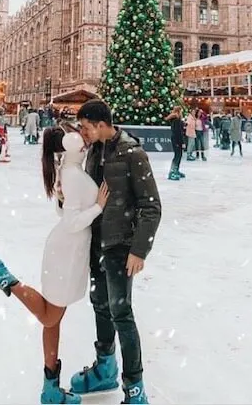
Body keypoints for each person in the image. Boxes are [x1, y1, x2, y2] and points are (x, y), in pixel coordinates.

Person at [0, 126, 110, 404]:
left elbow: (61, 211)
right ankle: (2, 275)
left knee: (53, 320)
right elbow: (70, 221)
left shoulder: (67, 170)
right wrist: (98, 207)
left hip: (67, 251)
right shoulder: (71, 174)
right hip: (67, 252)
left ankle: (51, 388)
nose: (84, 141)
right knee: (50, 317)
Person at [71, 99, 162, 405]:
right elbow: (91, 192)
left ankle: (135, 388)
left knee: (121, 312)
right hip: (96, 241)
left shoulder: (132, 153)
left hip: (121, 245)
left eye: (85, 127)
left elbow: (151, 207)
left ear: (100, 124)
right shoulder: (96, 150)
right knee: (100, 304)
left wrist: (139, 251)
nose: (83, 133)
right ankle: (105, 368)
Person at [165, 106, 184, 180]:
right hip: (177, 140)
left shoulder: (177, 120)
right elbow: (178, 132)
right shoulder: (176, 120)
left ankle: (176, 170)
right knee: (177, 156)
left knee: (179, 155)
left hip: (176, 139)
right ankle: (172, 172)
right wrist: (182, 142)